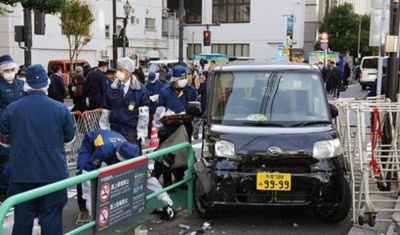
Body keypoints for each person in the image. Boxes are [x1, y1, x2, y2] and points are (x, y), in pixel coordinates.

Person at [0, 64, 75, 235]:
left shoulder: (12, 109)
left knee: (22, 221)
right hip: (53, 173)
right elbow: (69, 140)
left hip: (22, 173)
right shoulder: (60, 109)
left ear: (26, 83)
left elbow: (5, 143)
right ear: (46, 83)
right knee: (51, 221)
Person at [75, 130, 175, 223]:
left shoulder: (134, 153)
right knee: (82, 173)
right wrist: (90, 204)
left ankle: (114, 203)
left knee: (118, 173)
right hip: (92, 144)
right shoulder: (105, 150)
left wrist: (165, 198)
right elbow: (87, 173)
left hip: (113, 141)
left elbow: (148, 177)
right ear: (119, 156)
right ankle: (84, 209)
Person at [153, 65, 198, 187]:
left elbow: (195, 107)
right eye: (181, 78)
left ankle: (179, 179)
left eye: (185, 77)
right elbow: (159, 111)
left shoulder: (190, 90)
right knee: (168, 156)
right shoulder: (165, 91)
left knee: (183, 154)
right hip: (169, 128)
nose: (183, 80)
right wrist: (161, 123)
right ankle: (167, 181)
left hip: (185, 126)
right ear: (174, 79)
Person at [106, 57, 150, 152]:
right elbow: (106, 109)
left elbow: (144, 114)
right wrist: (104, 128)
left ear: (129, 71)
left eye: (120, 70)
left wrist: (142, 131)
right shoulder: (112, 88)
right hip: (114, 129)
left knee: (132, 159)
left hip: (131, 131)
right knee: (115, 158)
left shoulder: (140, 90)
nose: (117, 72)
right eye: (117, 69)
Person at [0, 55, 25, 200]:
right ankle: (4, 190)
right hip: (4, 128)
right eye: (6, 70)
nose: (10, 72)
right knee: (4, 160)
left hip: (20, 128)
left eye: (11, 69)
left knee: (18, 158)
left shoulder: (20, 85)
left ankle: (16, 187)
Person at [146, 71, 164, 138]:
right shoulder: (148, 84)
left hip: (157, 104)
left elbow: (162, 93)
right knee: (149, 119)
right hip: (150, 104)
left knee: (159, 119)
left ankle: (160, 133)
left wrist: (157, 97)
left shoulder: (160, 84)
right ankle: (149, 134)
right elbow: (146, 93)